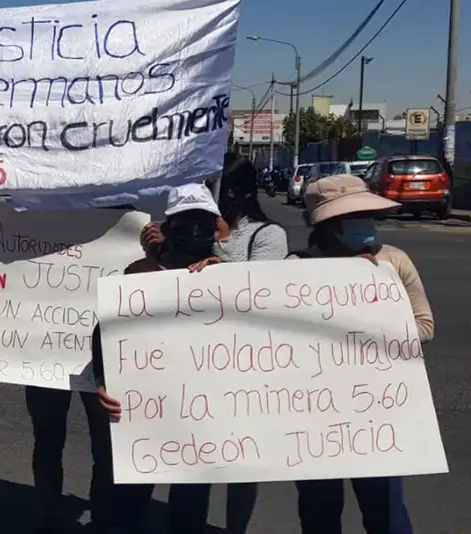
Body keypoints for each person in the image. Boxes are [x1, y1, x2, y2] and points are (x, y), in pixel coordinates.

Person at [140, 154, 289, 533]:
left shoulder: (267, 235)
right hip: (192, 366)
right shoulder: (191, 225)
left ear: (238, 193)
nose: (211, 194)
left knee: (241, 464)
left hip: (241, 367)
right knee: (191, 464)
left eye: (216, 187)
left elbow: (262, 295)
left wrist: (218, 247)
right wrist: (159, 249)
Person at [290, 174, 433, 534]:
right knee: (319, 513)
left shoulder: (394, 261)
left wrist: (370, 323)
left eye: (367, 214)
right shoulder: (295, 266)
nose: (364, 224)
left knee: (386, 513)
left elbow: (424, 326)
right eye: (352, 218)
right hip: (316, 415)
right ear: (329, 226)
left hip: (377, 411)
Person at [93, 183, 225, 533]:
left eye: (203, 222)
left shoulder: (229, 279)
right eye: (187, 223)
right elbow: (104, 335)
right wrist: (103, 384)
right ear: (169, 228)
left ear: (216, 227)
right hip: (144, 417)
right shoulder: (138, 275)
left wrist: (223, 276)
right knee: (130, 507)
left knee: (190, 508)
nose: (196, 231)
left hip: (201, 420)